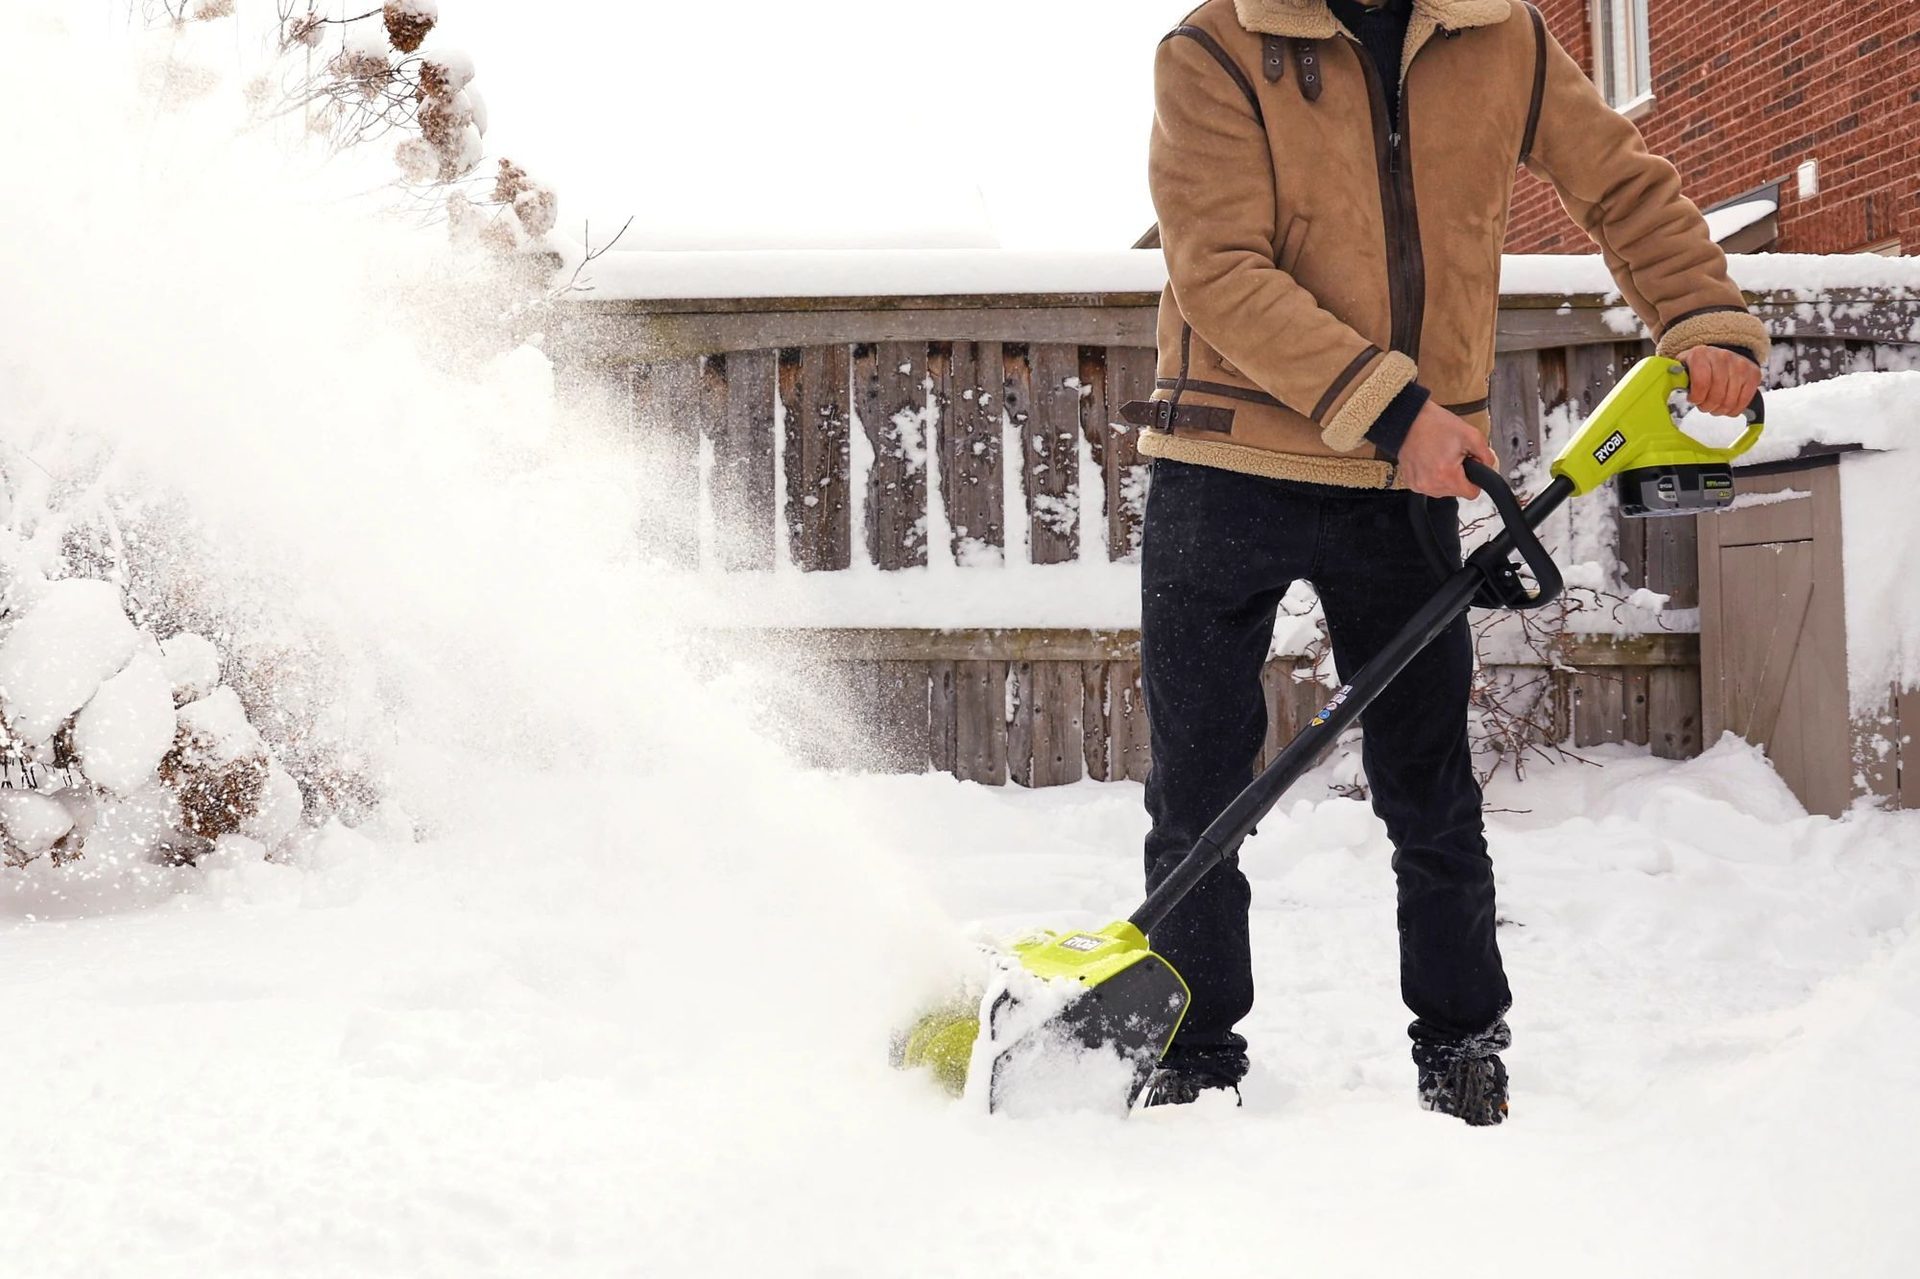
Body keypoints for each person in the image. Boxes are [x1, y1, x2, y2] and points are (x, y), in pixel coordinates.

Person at [1124, 0, 1766, 1122]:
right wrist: (1393, 406)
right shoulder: (1216, 44)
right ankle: (1193, 1048)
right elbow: (1219, 271)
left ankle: (1463, 1039)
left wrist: (1704, 317)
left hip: (1399, 481)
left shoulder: (1500, 33)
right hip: (1224, 458)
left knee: (1431, 783)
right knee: (1200, 785)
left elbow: (1621, 183)